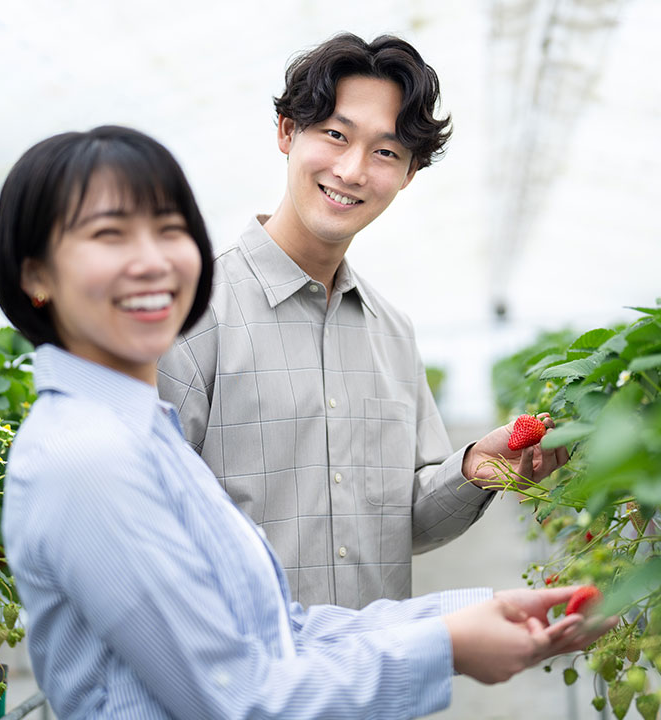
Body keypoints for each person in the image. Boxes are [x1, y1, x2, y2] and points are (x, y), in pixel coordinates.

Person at [0, 125, 613, 719]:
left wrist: (478, 603)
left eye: (168, 229)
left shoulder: (142, 432)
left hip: (335, 683)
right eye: (108, 236)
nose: (151, 262)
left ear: (409, 172)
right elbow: (237, 693)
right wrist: (446, 647)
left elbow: (278, 630)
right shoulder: (93, 454)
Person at [157, 33, 570, 609]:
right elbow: (144, 534)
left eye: (385, 152)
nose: (352, 170)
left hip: (372, 685)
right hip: (236, 689)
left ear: (408, 175)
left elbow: (405, 526)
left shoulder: (393, 334)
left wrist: (474, 469)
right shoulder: (188, 315)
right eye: (335, 134)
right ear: (286, 132)